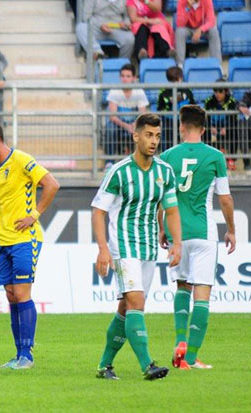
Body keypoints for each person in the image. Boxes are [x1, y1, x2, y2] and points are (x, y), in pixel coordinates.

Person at [91, 113, 180, 380]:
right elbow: (98, 211)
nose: (154, 141)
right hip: (123, 246)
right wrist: (103, 249)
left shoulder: (165, 172)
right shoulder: (119, 172)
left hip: (149, 248)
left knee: (126, 309)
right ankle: (147, 365)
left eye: (158, 136)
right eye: (149, 135)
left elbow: (172, 210)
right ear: (136, 135)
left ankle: (104, 366)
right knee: (136, 302)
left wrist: (177, 243)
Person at [0, 119, 61, 369]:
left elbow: (52, 184)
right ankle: (18, 354)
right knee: (11, 295)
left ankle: (27, 356)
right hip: (3, 240)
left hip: (25, 238)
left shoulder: (21, 159)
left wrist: (34, 214)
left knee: (22, 293)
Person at [158, 105, 235, 371]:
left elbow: (161, 199)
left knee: (181, 287)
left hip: (176, 233)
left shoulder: (167, 156)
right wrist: (232, 229)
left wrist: (161, 229)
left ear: (181, 126)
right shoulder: (215, 156)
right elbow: (224, 198)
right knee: (202, 296)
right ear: (204, 129)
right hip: (203, 233)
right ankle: (190, 357)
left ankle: (179, 342)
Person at [104, 63, 148, 165]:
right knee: (110, 128)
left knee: (144, 128)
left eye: (128, 76)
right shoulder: (114, 91)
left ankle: (141, 161)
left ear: (133, 78)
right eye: (122, 76)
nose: (125, 79)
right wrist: (127, 126)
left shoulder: (139, 92)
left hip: (134, 123)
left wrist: (135, 125)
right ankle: (109, 162)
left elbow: (143, 114)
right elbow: (113, 117)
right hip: (119, 123)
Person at [156, 66, 195, 150]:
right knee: (167, 144)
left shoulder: (187, 91)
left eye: (177, 80)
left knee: (186, 142)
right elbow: (160, 108)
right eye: (172, 80)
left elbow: (193, 106)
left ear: (181, 78)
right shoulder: (163, 92)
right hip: (168, 121)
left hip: (185, 121)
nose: (175, 83)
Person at [175, 0, 220, 68]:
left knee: (214, 31)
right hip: (187, 28)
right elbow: (180, 23)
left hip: (202, 28)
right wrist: (188, 8)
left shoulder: (207, 1)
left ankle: (217, 64)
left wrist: (201, 30)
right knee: (179, 32)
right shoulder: (181, 1)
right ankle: (180, 65)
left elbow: (211, 21)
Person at [204, 81, 237, 170]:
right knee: (205, 133)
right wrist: (210, 127)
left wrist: (227, 128)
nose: (217, 94)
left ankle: (231, 160)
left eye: (220, 92)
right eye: (216, 92)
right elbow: (205, 118)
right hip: (213, 128)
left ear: (226, 92)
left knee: (234, 132)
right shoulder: (209, 101)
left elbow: (234, 118)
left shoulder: (231, 101)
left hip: (227, 127)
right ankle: (210, 160)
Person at [236, 89, 251, 171]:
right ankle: (247, 163)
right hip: (248, 122)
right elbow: (239, 103)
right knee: (242, 125)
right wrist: (241, 107)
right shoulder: (248, 94)